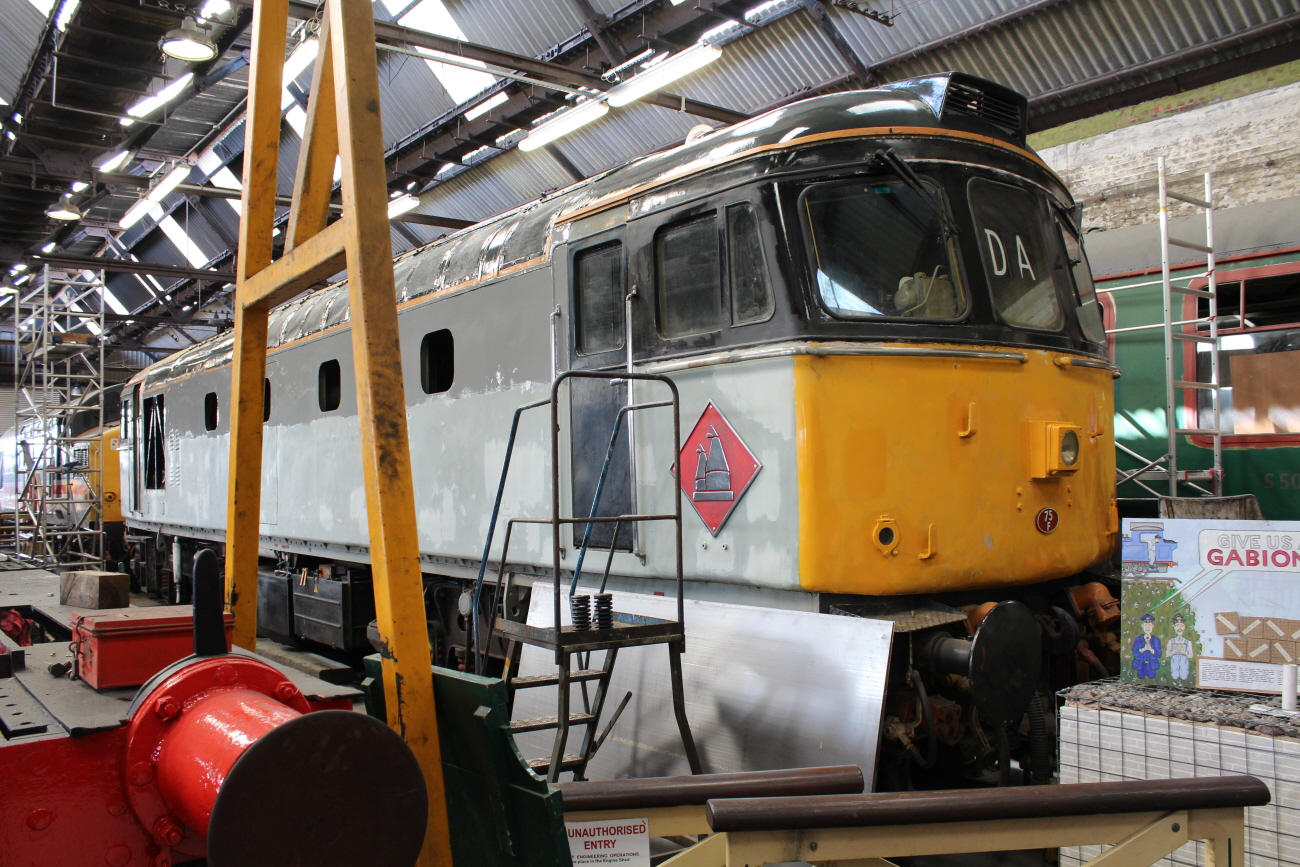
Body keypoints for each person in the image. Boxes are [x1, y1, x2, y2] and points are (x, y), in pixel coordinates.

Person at [1132, 613, 1162, 679]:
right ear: (1142, 626)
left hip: (1152, 666)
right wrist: (1143, 649)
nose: (1147, 627)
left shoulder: (1156, 640)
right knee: (1140, 679)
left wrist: (1151, 649)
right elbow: (1134, 653)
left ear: (1152, 626)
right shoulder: (1138, 639)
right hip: (1140, 665)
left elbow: (1159, 654)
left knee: (1152, 679)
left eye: (1149, 625)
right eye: (1145, 625)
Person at [1167, 613, 1194, 682]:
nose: (1179, 628)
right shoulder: (1171, 641)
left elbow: (1191, 655)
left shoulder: (1188, 642)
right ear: (1174, 627)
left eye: (1181, 625)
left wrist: (1183, 651)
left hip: (1184, 662)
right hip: (1174, 663)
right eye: (1177, 626)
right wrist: (1175, 650)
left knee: (1184, 676)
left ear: (1184, 627)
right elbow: (1167, 654)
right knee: (1174, 676)